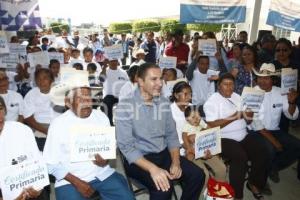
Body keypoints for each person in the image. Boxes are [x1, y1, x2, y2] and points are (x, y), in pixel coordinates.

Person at [116, 63, 205, 200]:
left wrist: (176, 162)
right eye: (154, 79)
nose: (160, 83)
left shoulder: (163, 103)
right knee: (164, 187)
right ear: (140, 81)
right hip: (139, 159)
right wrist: (153, 169)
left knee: (197, 175)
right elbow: (126, 147)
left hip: (163, 154)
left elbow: (171, 136)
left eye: (160, 79)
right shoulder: (125, 106)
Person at [43, 71, 134, 200]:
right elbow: (50, 164)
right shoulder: (58, 124)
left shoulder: (101, 117)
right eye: (80, 99)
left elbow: (111, 146)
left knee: (127, 197)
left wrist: (106, 159)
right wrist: (77, 182)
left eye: (88, 98)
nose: (86, 103)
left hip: (101, 173)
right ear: (68, 102)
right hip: (70, 179)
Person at [203, 73, 271, 200]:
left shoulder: (238, 97)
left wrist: (249, 115)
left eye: (231, 84)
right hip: (223, 138)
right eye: (225, 84)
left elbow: (249, 121)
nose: (229, 87)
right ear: (219, 86)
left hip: (243, 135)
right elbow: (212, 125)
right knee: (241, 157)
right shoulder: (212, 101)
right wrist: (234, 116)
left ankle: (254, 183)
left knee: (263, 149)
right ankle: (237, 196)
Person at [250, 63, 300, 183]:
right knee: (270, 149)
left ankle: (272, 168)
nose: (262, 81)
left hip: (274, 130)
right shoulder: (251, 92)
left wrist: (292, 102)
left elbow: (292, 116)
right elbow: (255, 123)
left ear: (273, 79)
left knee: (297, 146)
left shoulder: (281, 92)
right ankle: (259, 180)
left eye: (266, 78)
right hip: (255, 132)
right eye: (260, 77)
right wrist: (275, 142)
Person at [0, 96, 48, 200]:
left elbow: (37, 163)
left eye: (0, 108)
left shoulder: (21, 130)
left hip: (28, 188)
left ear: (5, 109)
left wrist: (37, 188)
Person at [182, 105, 227, 187]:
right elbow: (184, 136)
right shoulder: (186, 125)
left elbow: (210, 129)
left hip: (205, 148)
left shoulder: (201, 122)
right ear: (187, 119)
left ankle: (218, 191)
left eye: (198, 116)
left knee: (222, 168)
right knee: (204, 174)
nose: (197, 119)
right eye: (193, 117)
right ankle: (203, 193)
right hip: (193, 150)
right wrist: (188, 147)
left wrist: (210, 132)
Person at [101, 58, 129, 125]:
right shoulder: (105, 71)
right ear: (109, 62)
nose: (114, 62)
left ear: (118, 61)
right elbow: (101, 79)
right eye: (112, 61)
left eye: (115, 60)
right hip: (109, 96)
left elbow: (128, 84)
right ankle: (109, 123)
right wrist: (104, 66)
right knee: (107, 103)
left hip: (122, 96)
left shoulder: (123, 72)